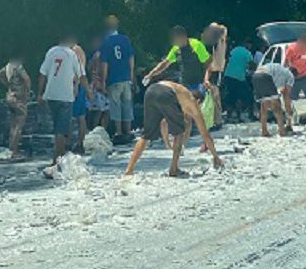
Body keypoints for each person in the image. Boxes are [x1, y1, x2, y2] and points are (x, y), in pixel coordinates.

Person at [124, 81, 223, 176]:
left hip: (151, 90)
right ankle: (174, 168)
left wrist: (167, 142)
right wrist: (216, 156)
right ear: (198, 101)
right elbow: (205, 134)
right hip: (166, 92)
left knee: (146, 135)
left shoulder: (181, 96)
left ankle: (129, 169)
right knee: (179, 132)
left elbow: (163, 123)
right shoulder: (192, 102)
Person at [38, 35, 91, 170]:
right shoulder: (71, 54)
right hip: (66, 95)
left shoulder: (51, 52)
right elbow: (81, 75)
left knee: (57, 127)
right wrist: (88, 91)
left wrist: (40, 93)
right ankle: (58, 159)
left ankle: (58, 156)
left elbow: (42, 74)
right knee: (61, 129)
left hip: (51, 94)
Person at [144, 26, 212, 99]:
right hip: (185, 84)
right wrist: (150, 75)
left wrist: (206, 79)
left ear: (183, 36)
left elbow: (208, 63)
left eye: (175, 38)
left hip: (199, 83)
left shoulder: (196, 45)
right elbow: (165, 64)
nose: (173, 41)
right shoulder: (176, 49)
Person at [100, 14, 135, 143]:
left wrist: (103, 81)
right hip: (126, 77)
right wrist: (131, 74)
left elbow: (104, 63)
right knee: (127, 104)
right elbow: (131, 57)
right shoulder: (125, 39)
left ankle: (119, 131)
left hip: (113, 78)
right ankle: (129, 130)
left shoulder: (106, 42)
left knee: (115, 105)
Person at [0, 55, 31, 160]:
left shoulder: (7, 67)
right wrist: (27, 93)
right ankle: (14, 150)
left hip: (9, 96)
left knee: (13, 124)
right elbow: (27, 79)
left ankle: (10, 149)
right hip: (18, 98)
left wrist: (7, 84)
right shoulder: (18, 66)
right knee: (19, 124)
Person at [252, 63, 295, 137]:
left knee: (264, 106)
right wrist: (289, 109)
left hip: (255, 76)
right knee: (277, 107)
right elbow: (286, 95)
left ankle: (264, 131)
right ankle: (282, 131)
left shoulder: (280, 69)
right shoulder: (290, 76)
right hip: (265, 76)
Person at [201, 22, 228, 127]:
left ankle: (217, 122)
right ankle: (216, 121)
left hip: (216, 71)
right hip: (216, 71)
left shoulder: (219, 41)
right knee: (214, 97)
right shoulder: (218, 42)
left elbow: (224, 30)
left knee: (214, 97)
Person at [224, 38, 255, 122]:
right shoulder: (247, 53)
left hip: (227, 75)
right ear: (247, 44)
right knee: (247, 95)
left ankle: (229, 115)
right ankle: (246, 115)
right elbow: (252, 66)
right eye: (250, 44)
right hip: (238, 77)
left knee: (231, 95)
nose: (250, 46)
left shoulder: (234, 50)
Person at [86, 36, 109, 130]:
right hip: (98, 84)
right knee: (101, 110)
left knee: (100, 110)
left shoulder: (95, 55)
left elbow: (88, 68)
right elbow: (102, 69)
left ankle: (96, 130)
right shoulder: (100, 55)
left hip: (95, 83)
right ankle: (98, 130)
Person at [71, 41, 90, 153]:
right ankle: (78, 142)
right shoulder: (76, 50)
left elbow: (80, 70)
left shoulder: (76, 50)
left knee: (79, 116)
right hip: (76, 84)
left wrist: (76, 85)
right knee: (79, 116)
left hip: (76, 85)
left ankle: (79, 143)